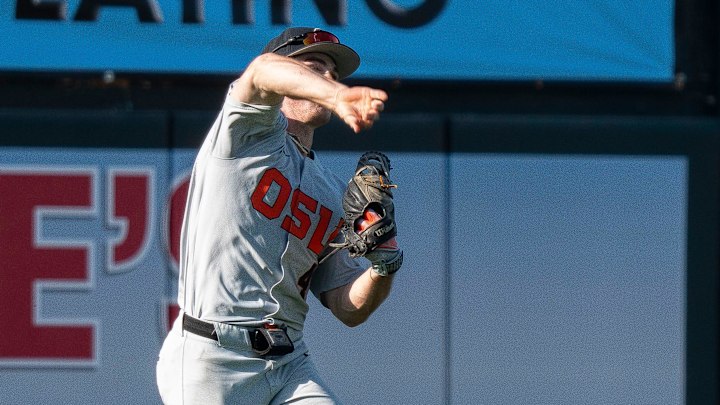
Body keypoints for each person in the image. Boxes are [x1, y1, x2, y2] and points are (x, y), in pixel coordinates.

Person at [156, 27, 403, 404]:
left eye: (334, 74)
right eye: (315, 68)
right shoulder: (246, 132)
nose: (328, 78)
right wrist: (338, 96)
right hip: (212, 355)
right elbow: (261, 71)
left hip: (289, 363)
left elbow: (346, 306)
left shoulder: (336, 193)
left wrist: (383, 265)